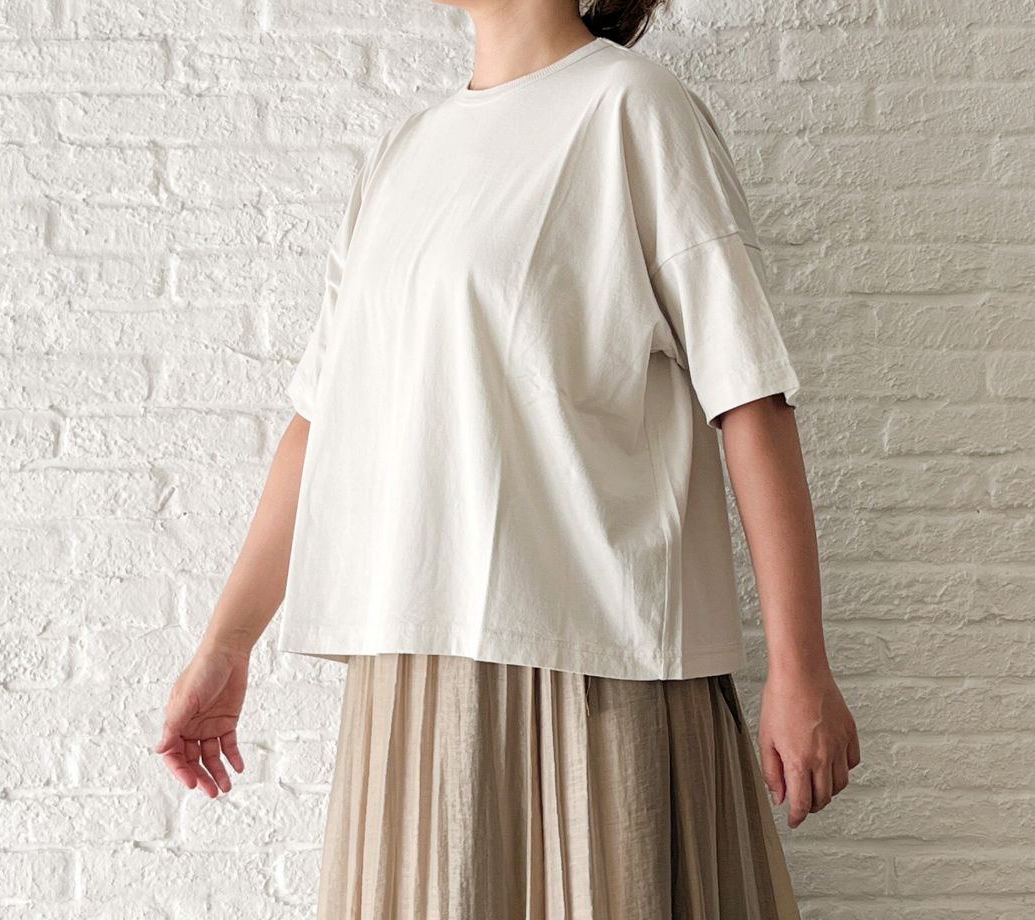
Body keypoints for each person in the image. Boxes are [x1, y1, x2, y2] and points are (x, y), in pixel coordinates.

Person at [153, 3, 860, 917]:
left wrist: (800, 667)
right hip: (412, 675)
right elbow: (320, 423)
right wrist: (224, 646)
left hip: (595, 668)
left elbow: (750, 397)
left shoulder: (633, 110)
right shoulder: (402, 154)